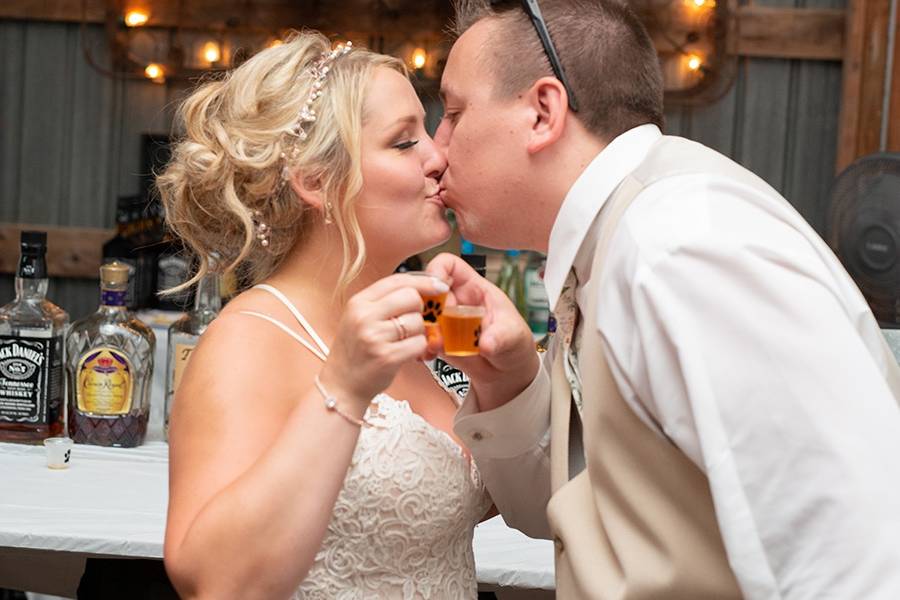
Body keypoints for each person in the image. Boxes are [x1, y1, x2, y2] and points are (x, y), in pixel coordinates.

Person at [426, 0, 900, 598]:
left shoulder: (680, 247)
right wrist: (511, 380)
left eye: (456, 112)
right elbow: (574, 508)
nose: (438, 149)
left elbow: (853, 557)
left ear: (542, 112)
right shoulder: (610, 246)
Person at [156, 31, 492, 599]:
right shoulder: (247, 340)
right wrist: (342, 387)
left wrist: (502, 370)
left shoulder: (428, 311)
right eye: (404, 142)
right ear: (316, 182)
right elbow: (215, 584)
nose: (439, 158)